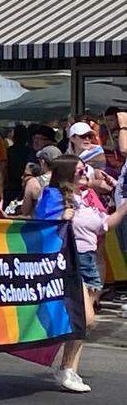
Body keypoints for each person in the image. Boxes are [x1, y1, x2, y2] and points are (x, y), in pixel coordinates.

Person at [35, 156, 127, 392]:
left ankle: (69, 370)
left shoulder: (86, 200)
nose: (85, 173)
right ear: (67, 174)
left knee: (81, 323)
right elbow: (41, 227)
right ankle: (66, 368)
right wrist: (59, 219)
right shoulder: (53, 196)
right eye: (79, 170)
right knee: (86, 319)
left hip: (89, 264)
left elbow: (106, 223)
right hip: (67, 261)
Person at [21, 145, 62, 217]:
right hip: (61, 222)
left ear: (43, 162)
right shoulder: (67, 180)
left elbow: (25, 211)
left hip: (41, 224)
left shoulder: (33, 182)